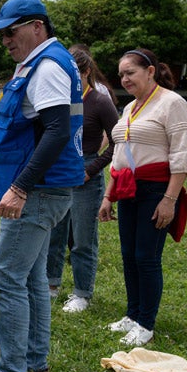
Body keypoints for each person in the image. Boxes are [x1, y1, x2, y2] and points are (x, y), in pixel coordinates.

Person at [0, 0, 84, 372]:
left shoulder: (48, 66)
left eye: (10, 32)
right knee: (31, 278)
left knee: (6, 278)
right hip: (44, 190)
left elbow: (56, 132)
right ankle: (37, 364)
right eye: (1, 35)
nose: (5, 41)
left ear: (37, 26)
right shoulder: (40, 63)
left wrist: (19, 187)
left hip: (38, 192)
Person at [98, 48, 187, 347]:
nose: (124, 79)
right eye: (121, 75)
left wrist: (170, 199)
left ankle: (146, 323)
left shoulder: (172, 103)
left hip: (156, 189)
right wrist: (108, 196)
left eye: (130, 72)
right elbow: (120, 156)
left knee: (146, 257)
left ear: (150, 71)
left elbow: (182, 154)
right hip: (128, 189)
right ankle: (132, 313)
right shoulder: (130, 108)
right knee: (128, 256)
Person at [46, 46, 120, 313]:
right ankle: (51, 284)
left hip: (87, 170)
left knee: (82, 237)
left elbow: (117, 142)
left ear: (86, 72)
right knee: (55, 232)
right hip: (59, 170)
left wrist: (92, 168)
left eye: (73, 73)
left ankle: (81, 293)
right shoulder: (58, 97)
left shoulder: (100, 101)